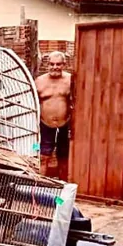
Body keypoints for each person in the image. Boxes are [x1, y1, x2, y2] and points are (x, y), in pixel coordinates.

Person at [35, 51, 73, 179]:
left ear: (64, 64)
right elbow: (33, 103)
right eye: (52, 64)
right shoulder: (39, 81)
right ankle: (40, 186)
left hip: (65, 124)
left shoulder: (70, 80)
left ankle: (63, 186)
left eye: (58, 64)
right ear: (47, 64)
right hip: (45, 124)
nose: (55, 67)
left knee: (63, 156)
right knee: (43, 156)